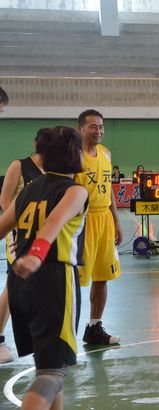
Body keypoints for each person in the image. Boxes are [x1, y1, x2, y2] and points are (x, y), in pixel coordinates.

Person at [4, 126, 88, 410]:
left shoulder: (27, 190)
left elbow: (2, 227)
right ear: (75, 154)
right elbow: (53, 223)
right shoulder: (75, 191)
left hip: (19, 283)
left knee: (47, 366)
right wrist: (37, 256)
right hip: (53, 280)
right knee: (53, 373)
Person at [75, 109, 122, 345]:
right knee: (74, 280)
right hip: (83, 221)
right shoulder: (74, 157)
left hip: (104, 219)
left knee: (103, 276)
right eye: (93, 126)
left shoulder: (105, 153)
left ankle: (94, 327)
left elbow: (109, 190)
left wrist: (116, 220)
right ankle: (63, 332)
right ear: (81, 128)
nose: (99, 131)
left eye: (101, 126)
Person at [0, 128, 46, 363]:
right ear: (37, 144)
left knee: (40, 286)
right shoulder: (19, 166)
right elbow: (4, 200)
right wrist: (18, 222)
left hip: (43, 235)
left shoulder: (54, 171)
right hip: (19, 233)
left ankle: (42, 339)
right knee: (13, 286)